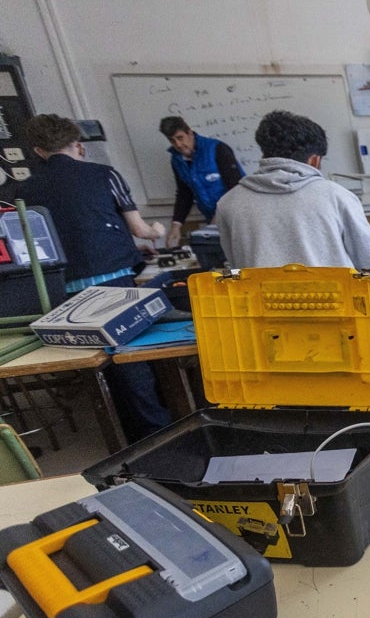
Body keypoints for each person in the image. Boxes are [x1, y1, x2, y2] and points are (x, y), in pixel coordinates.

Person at [19, 114, 172, 441]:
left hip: (62, 290)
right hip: (114, 283)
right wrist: (157, 232)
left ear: (37, 150)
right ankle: (158, 435)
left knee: (99, 364)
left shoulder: (23, 189)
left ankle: (126, 438)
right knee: (133, 363)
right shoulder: (105, 174)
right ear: (78, 145)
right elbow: (141, 230)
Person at [214, 110, 370, 271]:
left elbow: (236, 265)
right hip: (335, 304)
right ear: (314, 160)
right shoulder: (337, 196)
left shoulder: (228, 203)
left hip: (261, 304)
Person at [158, 116, 243, 248]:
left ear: (190, 133)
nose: (178, 145)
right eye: (172, 141)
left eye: (180, 138)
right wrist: (176, 225)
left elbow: (236, 188)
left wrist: (217, 219)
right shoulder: (176, 160)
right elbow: (184, 193)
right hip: (212, 220)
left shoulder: (218, 149)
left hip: (237, 217)